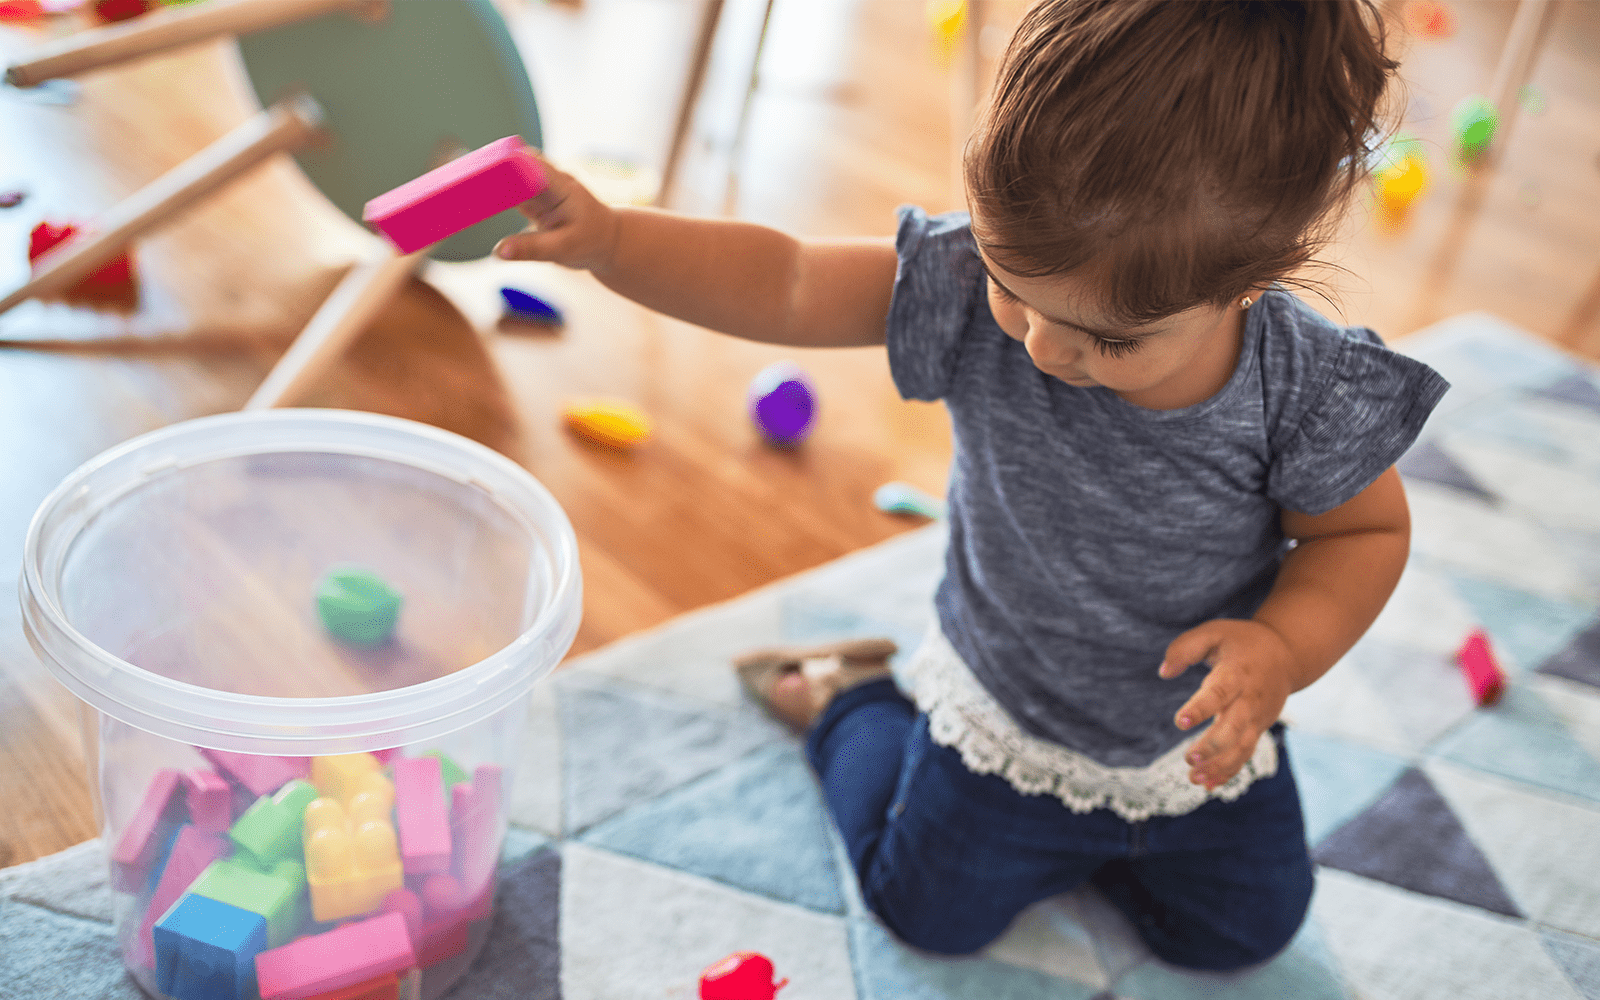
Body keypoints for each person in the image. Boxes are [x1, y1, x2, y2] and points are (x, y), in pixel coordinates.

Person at [495, 0, 1449, 972]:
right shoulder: (960, 291)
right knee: (924, 910)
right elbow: (783, 280)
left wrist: (1282, 646)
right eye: (1010, 283)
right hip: (1006, 712)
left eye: (1109, 338)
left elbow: (1361, 535)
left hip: (1187, 747)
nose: (1038, 345)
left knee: (1244, 932)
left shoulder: (1302, 388)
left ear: (1249, 282)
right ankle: (849, 699)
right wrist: (613, 240)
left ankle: (1092, 838)